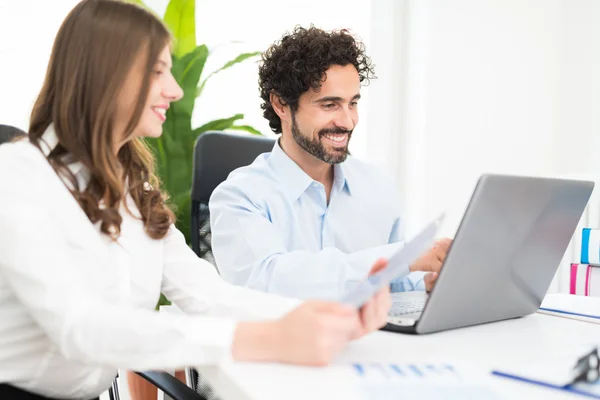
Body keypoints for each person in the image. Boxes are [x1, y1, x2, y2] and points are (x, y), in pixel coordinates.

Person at [0, 2, 391, 399]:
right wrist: (266, 338)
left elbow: (206, 294)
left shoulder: (134, 189)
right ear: (104, 75)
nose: (175, 90)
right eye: (157, 72)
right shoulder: (17, 174)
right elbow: (82, 328)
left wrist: (330, 320)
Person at [209, 26, 452, 300]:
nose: (348, 122)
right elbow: (267, 281)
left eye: (353, 103)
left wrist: (425, 279)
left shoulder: (378, 187)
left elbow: (388, 281)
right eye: (329, 105)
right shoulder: (240, 196)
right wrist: (399, 256)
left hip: (371, 339)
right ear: (280, 105)